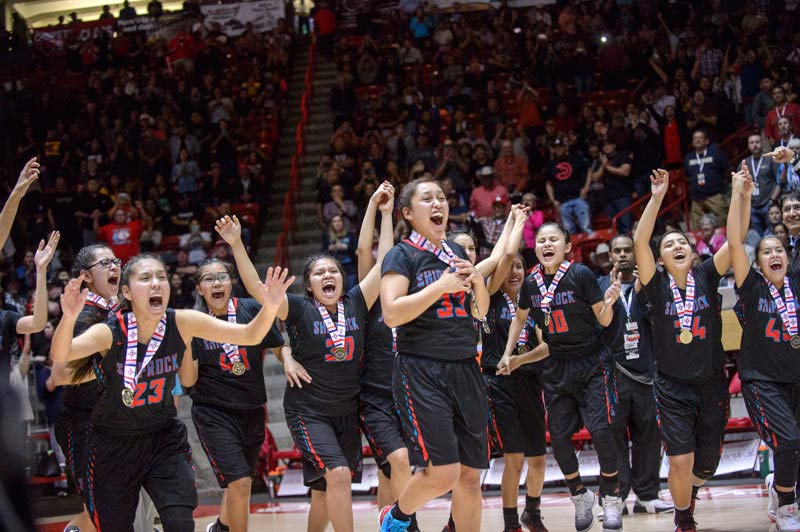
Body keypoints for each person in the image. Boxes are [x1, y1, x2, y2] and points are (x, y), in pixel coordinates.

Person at [51, 255, 292, 532]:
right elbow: (61, 352)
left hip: (163, 439)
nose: (156, 283)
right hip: (113, 442)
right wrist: (68, 319)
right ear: (126, 292)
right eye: (145, 278)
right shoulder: (109, 332)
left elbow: (249, 334)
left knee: (180, 523)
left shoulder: (182, 322)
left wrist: (271, 306)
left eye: (161, 277)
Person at [269, 183, 394, 532]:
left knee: (325, 492)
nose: (329, 276)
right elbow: (262, 299)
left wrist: (379, 210)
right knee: (338, 475)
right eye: (320, 273)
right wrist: (236, 245)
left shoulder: (356, 301)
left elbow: (385, 262)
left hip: (345, 411)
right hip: (309, 409)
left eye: (334, 271)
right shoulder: (298, 307)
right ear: (308, 285)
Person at [379, 178, 490, 532]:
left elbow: (481, 312)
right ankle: (395, 517)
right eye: (427, 199)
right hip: (422, 369)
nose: (438, 203)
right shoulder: (402, 254)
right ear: (409, 213)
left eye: (441, 197)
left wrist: (477, 282)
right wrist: (439, 286)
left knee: (471, 476)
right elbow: (392, 313)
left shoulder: (456, 254)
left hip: (465, 366)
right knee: (443, 472)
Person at [497, 222, 624, 532]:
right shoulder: (530, 282)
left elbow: (604, 320)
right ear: (536, 248)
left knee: (602, 430)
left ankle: (611, 498)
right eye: (541, 240)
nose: (546, 243)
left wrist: (609, 302)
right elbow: (520, 317)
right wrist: (507, 353)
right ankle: (580, 495)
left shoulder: (580, 274)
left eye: (553, 239)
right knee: (560, 438)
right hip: (556, 365)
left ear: (567, 246)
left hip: (592, 361)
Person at [634, 168, 734, 532]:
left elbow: (735, 241)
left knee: (703, 467)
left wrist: (739, 195)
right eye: (670, 245)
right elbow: (640, 241)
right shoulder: (655, 284)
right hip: (672, 387)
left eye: (683, 243)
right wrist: (657, 197)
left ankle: (688, 493)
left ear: (692, 253)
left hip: (712, 385)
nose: (678, 247)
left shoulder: (708, 275)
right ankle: (683, 519)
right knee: (680, 459)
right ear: (659, 259)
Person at [190, 216, 287, 532]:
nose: (217, 283)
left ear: (231, 283)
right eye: (209, 279)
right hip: (215, 413)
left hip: (252, 411)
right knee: (241, 482)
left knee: (239, 484)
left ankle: (220, 528)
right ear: (200, 289)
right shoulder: (192, 324)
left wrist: (288, 360)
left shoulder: (248, 309)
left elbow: (276, 344)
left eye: (222, 277)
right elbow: (188, 380)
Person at [727, 167, 800, 532]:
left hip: (796, 378)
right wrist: (740, 195)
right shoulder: (752, 286)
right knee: (789, 440)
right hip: (762, 380)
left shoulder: (797, 282)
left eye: (780, 250)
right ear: (758, 263)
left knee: (795, 446)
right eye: (767, 251)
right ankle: (787, 505)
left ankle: (779, 488)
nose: (775, 254)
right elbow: (736, 242)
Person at [481, 211, 551, 532]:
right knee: (515, 457)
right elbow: (507, 254)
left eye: (521, 267)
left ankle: (532, 514)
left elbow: (546, 346)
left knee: (538, 459)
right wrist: (515, 222)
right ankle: (511, 523)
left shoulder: (535, 301)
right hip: (498, 385)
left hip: (530, 381)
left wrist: (521, 360)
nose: (515, 271)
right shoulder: (492, 298)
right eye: (511, 268)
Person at [600, 236, 673, 515]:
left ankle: (647, 496)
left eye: (627, 250)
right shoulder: (598, 287)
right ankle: (616, 498)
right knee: (613, 437)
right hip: (613, 374)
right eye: (616, 250)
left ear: (636, 253)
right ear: (609, 256)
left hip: (647, 373)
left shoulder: (652, 285)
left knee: (649, 435)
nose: (622, 255)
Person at [354, 186, 414, 527]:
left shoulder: (415, 296)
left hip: (407, 395)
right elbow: (369, 251)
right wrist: (381, 211)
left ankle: (389, 524)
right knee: (396, 463)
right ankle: (407, 523)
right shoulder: (371, 298)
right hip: (374, 398)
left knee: (389, 471)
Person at [53, 244, 122, 532]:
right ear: (87, 276)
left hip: (112, 420)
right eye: (105, 263)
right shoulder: (82, 316)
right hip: (81, 420)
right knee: (96, 508)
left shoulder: (120, 310)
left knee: (111, 504)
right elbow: (60, 374)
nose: (115, 267)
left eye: (117, 261)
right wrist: (114, 368)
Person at [684, 130, 730, 230]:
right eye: (695, 138)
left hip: (715, 195)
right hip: (697, 199)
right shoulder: (688, 158)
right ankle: (700, 245)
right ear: (692, 143)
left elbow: (726, 170)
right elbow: (687, 175)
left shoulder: (715, 153)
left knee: (723, 222)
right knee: (696, 226)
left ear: (706, 141)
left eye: (700, 137)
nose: (698, 140)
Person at [545, 138, 592, 234]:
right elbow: (548, 184)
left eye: (561, 147)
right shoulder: (550, 165)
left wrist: (586, 188)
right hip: (562, 202)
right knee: (569, 232)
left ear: (565, 147)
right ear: (553, 149)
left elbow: (589, 170)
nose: (559, 149)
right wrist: (553, 200)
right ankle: (572, 249)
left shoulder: (575, 159)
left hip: (578, 198)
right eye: (556, 147)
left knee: (586, 227)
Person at [744, 134, 781, 235]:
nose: (755, 145)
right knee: (759, 236)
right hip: (753, 206)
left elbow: (780, 181)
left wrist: (773, 199)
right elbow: (741, 186)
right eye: (752, 143)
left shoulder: (770, 159)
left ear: (762, 143)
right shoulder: (744, 163)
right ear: (748, 146)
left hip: (768, 202)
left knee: (773, 232)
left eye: (757, 142)